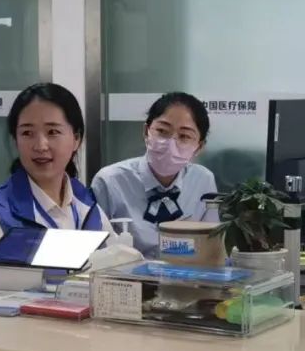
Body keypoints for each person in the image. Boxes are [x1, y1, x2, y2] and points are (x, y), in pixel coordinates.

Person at [0, 83, 110, 241]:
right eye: (27, 133)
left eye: (52, 132)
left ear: (76, 139)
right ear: (16, 140)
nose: (40, 146)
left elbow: (115, 252)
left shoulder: (86, 203)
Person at [92, 91, 218, 257]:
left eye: (184, 136)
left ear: (199, 146)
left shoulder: (203, 181)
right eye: (162, 131)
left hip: (187, 271)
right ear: (146, 131)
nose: (171, 144)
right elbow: (95, 252)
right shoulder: (109, 181)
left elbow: (211, 246)